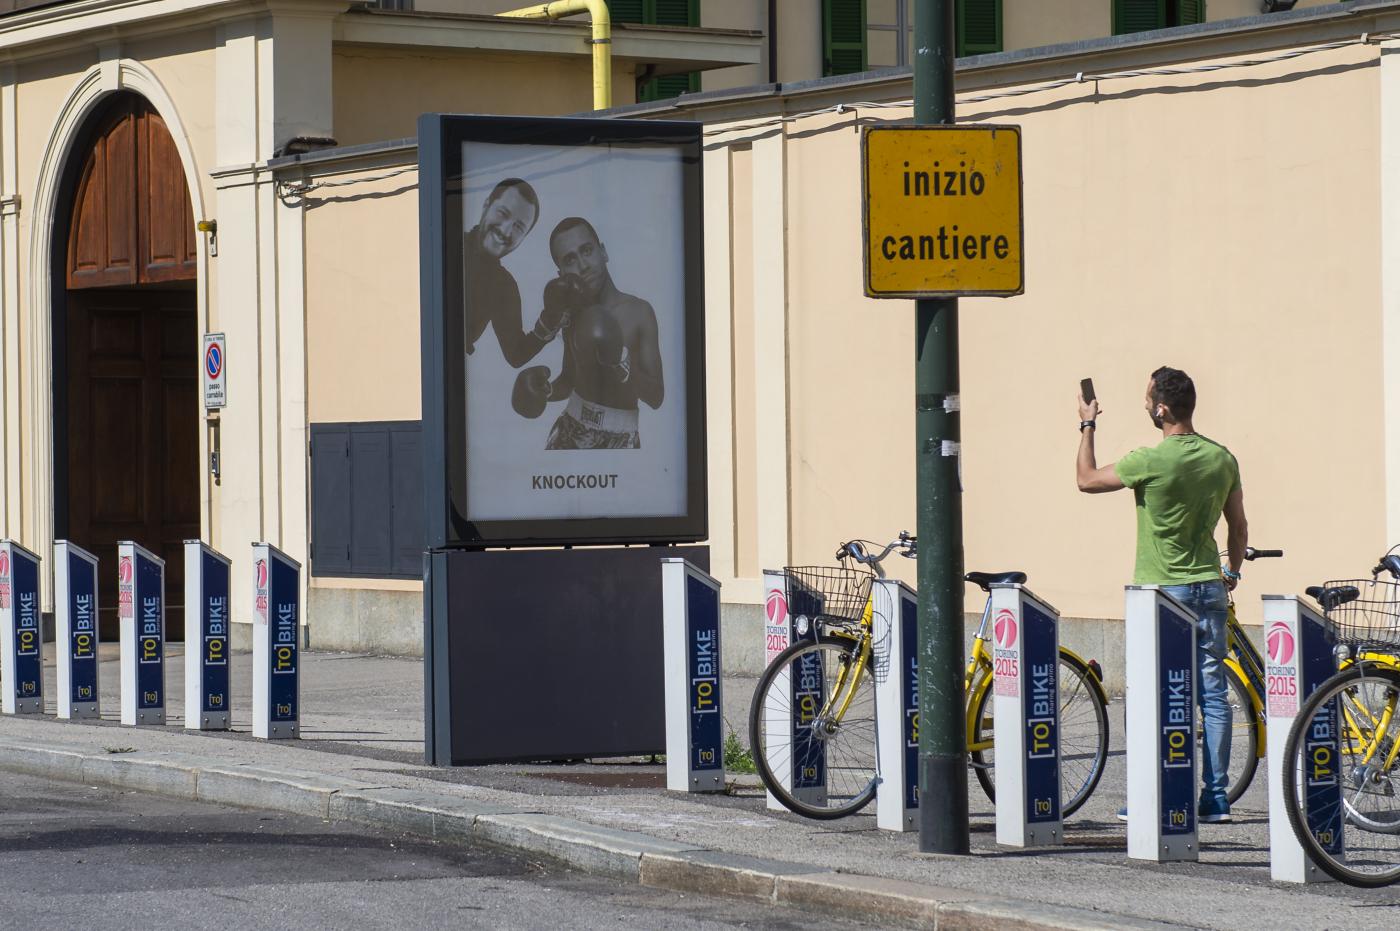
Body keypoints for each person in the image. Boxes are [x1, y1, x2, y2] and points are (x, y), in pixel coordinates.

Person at [1075, 367, 1249, 824]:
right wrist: (1231, 570)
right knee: (1212, 695)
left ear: (1163, 409)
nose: (1145, 405)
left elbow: (1087, 479)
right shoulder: (1222, 459)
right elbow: (1239, 526)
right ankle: (1216, 799)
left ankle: (1152, 794)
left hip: (1160, 595)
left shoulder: (1148, 460)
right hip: (1208, 586)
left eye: (1147, 398)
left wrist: (1087, 423)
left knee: (1151, 694)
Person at [511, 217, 664, 450]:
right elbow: (570, 379)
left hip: (620, 438)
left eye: (587, 250)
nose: (583, 265)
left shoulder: (639, 313)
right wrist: (544, 392)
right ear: (561, 273)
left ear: (603, 252)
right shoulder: (573, 315)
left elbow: (656, 397)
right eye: (570, 259)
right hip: (568, 428)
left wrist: (620, 362)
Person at [463, 178, 571, 364]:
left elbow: (516, 354)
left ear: (524, 238)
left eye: (519, 227)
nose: (506, 231)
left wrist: (550, 319)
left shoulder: (503, 286)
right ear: (486, 206)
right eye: (502, 213)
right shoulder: (444, 247)